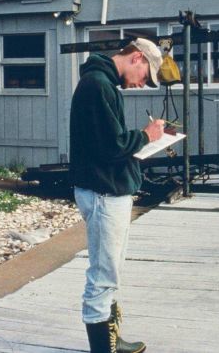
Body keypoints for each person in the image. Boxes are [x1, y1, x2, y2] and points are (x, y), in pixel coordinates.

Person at [70, 38, 165, 353]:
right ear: (137, 57)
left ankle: (110, 340)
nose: (142, 85)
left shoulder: (101, 83)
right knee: (103, 273)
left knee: (109, 270)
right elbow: (111, 146)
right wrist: (147, 136)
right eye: (145, 76)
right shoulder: (98, 85)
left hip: (107, 189)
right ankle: (103, 348)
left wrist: (140, 140)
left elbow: (109, 141)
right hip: (103, 192)